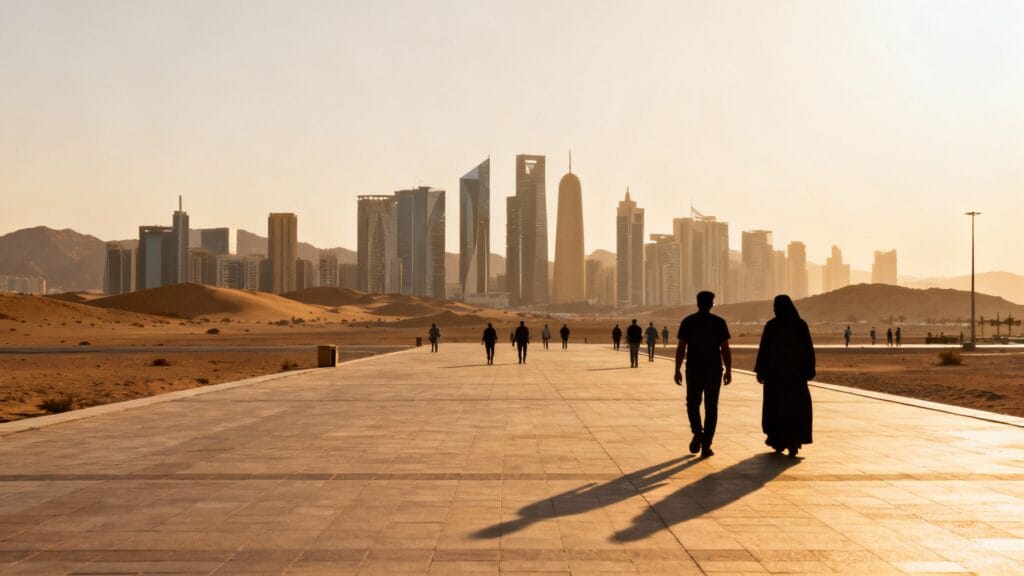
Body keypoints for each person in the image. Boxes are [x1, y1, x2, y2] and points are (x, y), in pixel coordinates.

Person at [755, 295, 815, 458]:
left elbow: (764, 350)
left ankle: (780, 439)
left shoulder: (772, 326)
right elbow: (808, 350)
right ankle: (791, 439)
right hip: (794, 376)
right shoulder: (800, 325)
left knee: (778, 407)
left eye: (776, 306)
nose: (774, 309)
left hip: (777, 376)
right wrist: (809, 370)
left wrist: (760, 370)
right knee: (795, 408)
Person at [674, 291, 732, 458]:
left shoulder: (688, 322)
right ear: (712, 304)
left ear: (697, 303)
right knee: (711, 407)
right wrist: (728, 369)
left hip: (694, 369)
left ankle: (698, 433)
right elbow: (725, 349)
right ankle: (706, 444)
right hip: (713, 370)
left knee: (692, 404)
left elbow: (681, 348)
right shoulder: (719, 322)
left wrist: (677, 369)